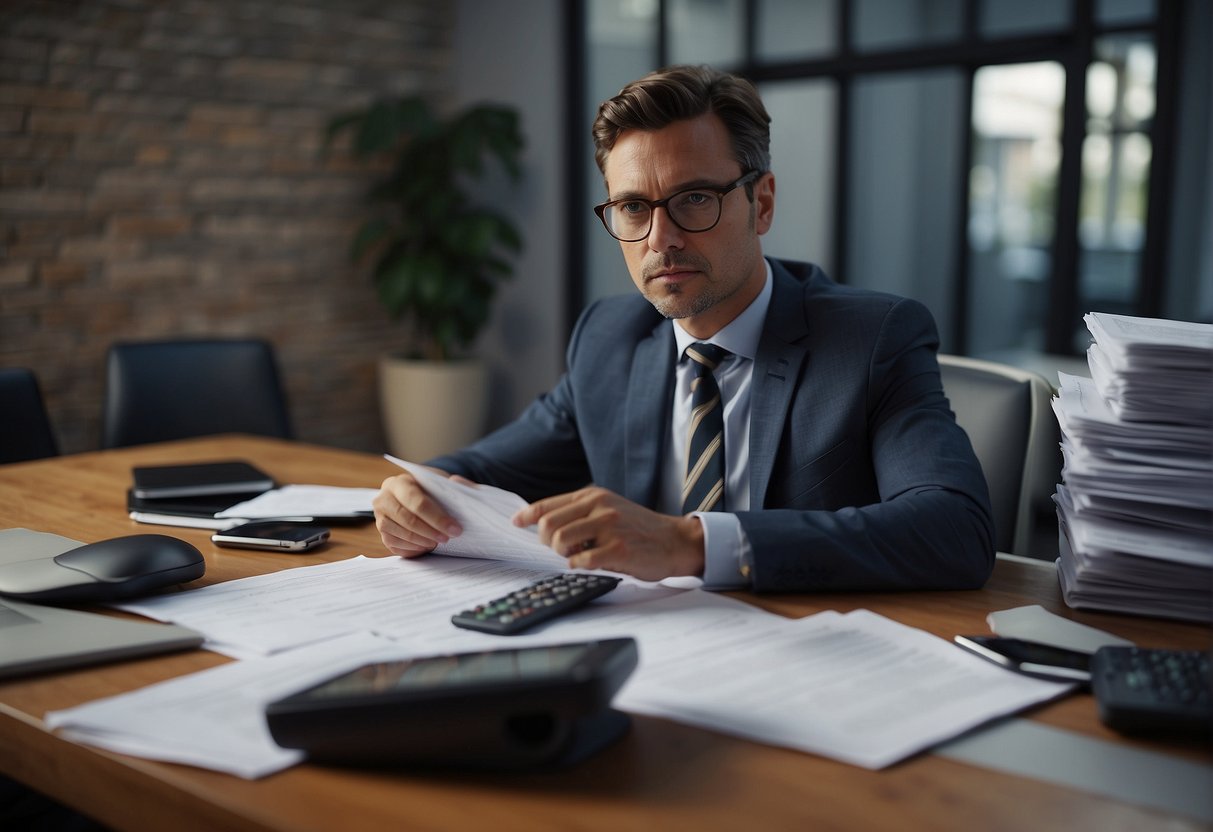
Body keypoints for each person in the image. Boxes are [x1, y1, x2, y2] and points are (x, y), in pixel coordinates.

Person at [373, 64, 995, 592]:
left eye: (695, 198)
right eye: (633, 208)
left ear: (764, 202)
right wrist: (419, 495)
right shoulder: (609, 338)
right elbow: (481, 466)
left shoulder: (874, 338)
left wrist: (691, 543)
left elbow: (955, 529)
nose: (660, 239)